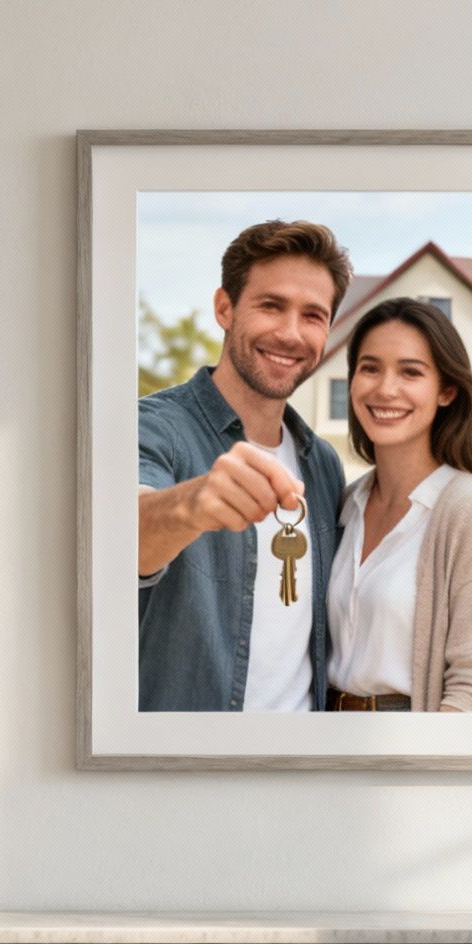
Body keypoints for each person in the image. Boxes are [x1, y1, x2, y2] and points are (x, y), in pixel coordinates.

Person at [137, 220, 351, 711]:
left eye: (313, 315)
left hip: (300, 768)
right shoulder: (151, 428)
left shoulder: (323, 465)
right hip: (188, 770)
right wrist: (192, 504)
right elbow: (122, 532)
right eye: (271, 306)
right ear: (224, 308)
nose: (291, 333)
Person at [325, 298, 472, 712]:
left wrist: (421, 774)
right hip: (321, 748)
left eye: (410, 372)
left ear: (446, 391)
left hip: (410, 751)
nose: (385, 389)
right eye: (370, 368)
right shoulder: (344, 505)